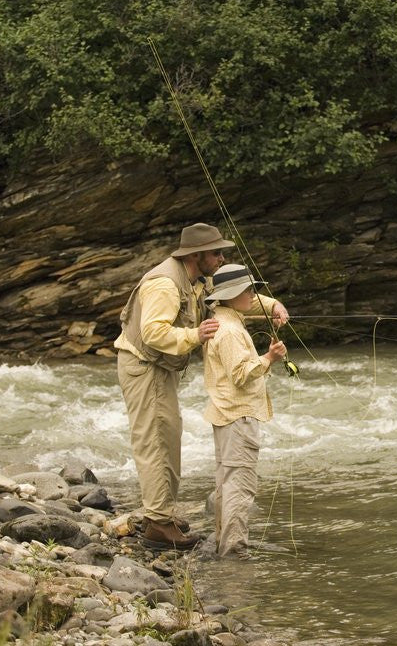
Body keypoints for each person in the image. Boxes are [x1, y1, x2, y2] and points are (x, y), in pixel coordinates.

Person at [115, 223, 287, 550]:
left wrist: (273, 305)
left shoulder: (198, 277)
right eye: (216, 253)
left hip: (159, 366)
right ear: (196, 255)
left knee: (170, 435)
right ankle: (159, 526)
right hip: (143, 366)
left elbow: (233, 293)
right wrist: (195, 336)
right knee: (155, 440)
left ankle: (161, 514)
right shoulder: (165, 284)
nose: (222, 259)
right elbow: (153, 333)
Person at [203, 263, 287, 558]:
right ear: (231, 294)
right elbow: (240, 374)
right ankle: (234, 551)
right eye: (249, 290)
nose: (253, 295)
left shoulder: (226, 322)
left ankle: (223, 545)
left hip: (227, 414)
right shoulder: (229, 331)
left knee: (227, 483)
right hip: (238, 417)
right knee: (241, 486)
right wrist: (269, 358)